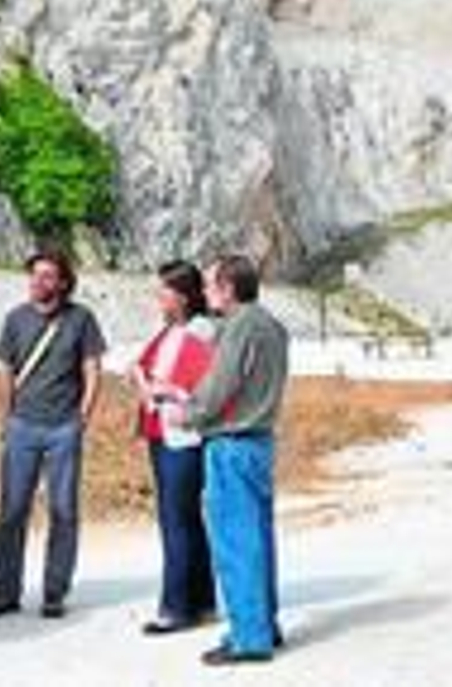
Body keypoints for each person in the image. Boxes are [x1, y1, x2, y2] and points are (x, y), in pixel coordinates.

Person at [164, 253, 289, 667]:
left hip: (232, 442)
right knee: (258, 539)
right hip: (260, 440)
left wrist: (187, 411)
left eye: (212, 285)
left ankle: (248, 637)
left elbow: (221, 385)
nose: (206, 293)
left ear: (229, 289)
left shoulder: (238, 328)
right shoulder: (272, 325)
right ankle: (264, 624)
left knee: (235, 542)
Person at [0, 248, 107, 620]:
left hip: (64, 428)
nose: (38, 282)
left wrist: (82, 419)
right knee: (11, 511)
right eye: (34, 276)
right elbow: (5, 371)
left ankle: (54, 592)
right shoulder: (15, 319)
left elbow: (92, 369)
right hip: (22, 426)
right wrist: (7, 417)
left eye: (48, 276)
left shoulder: (82, 319)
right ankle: (4, 591)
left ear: (63, 282)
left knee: (63, 511)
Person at [130, 260, 217, 635]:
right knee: (185, 518)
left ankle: (177, 606)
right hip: (163, 431)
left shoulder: (199, 331)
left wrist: (155, 386)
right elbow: (147, 369)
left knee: (176, 519)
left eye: (163, 291)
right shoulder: (173, 330)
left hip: (181, 435)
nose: (157, 297)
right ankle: (201, 600)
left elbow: (192, 383)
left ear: (182, 296)